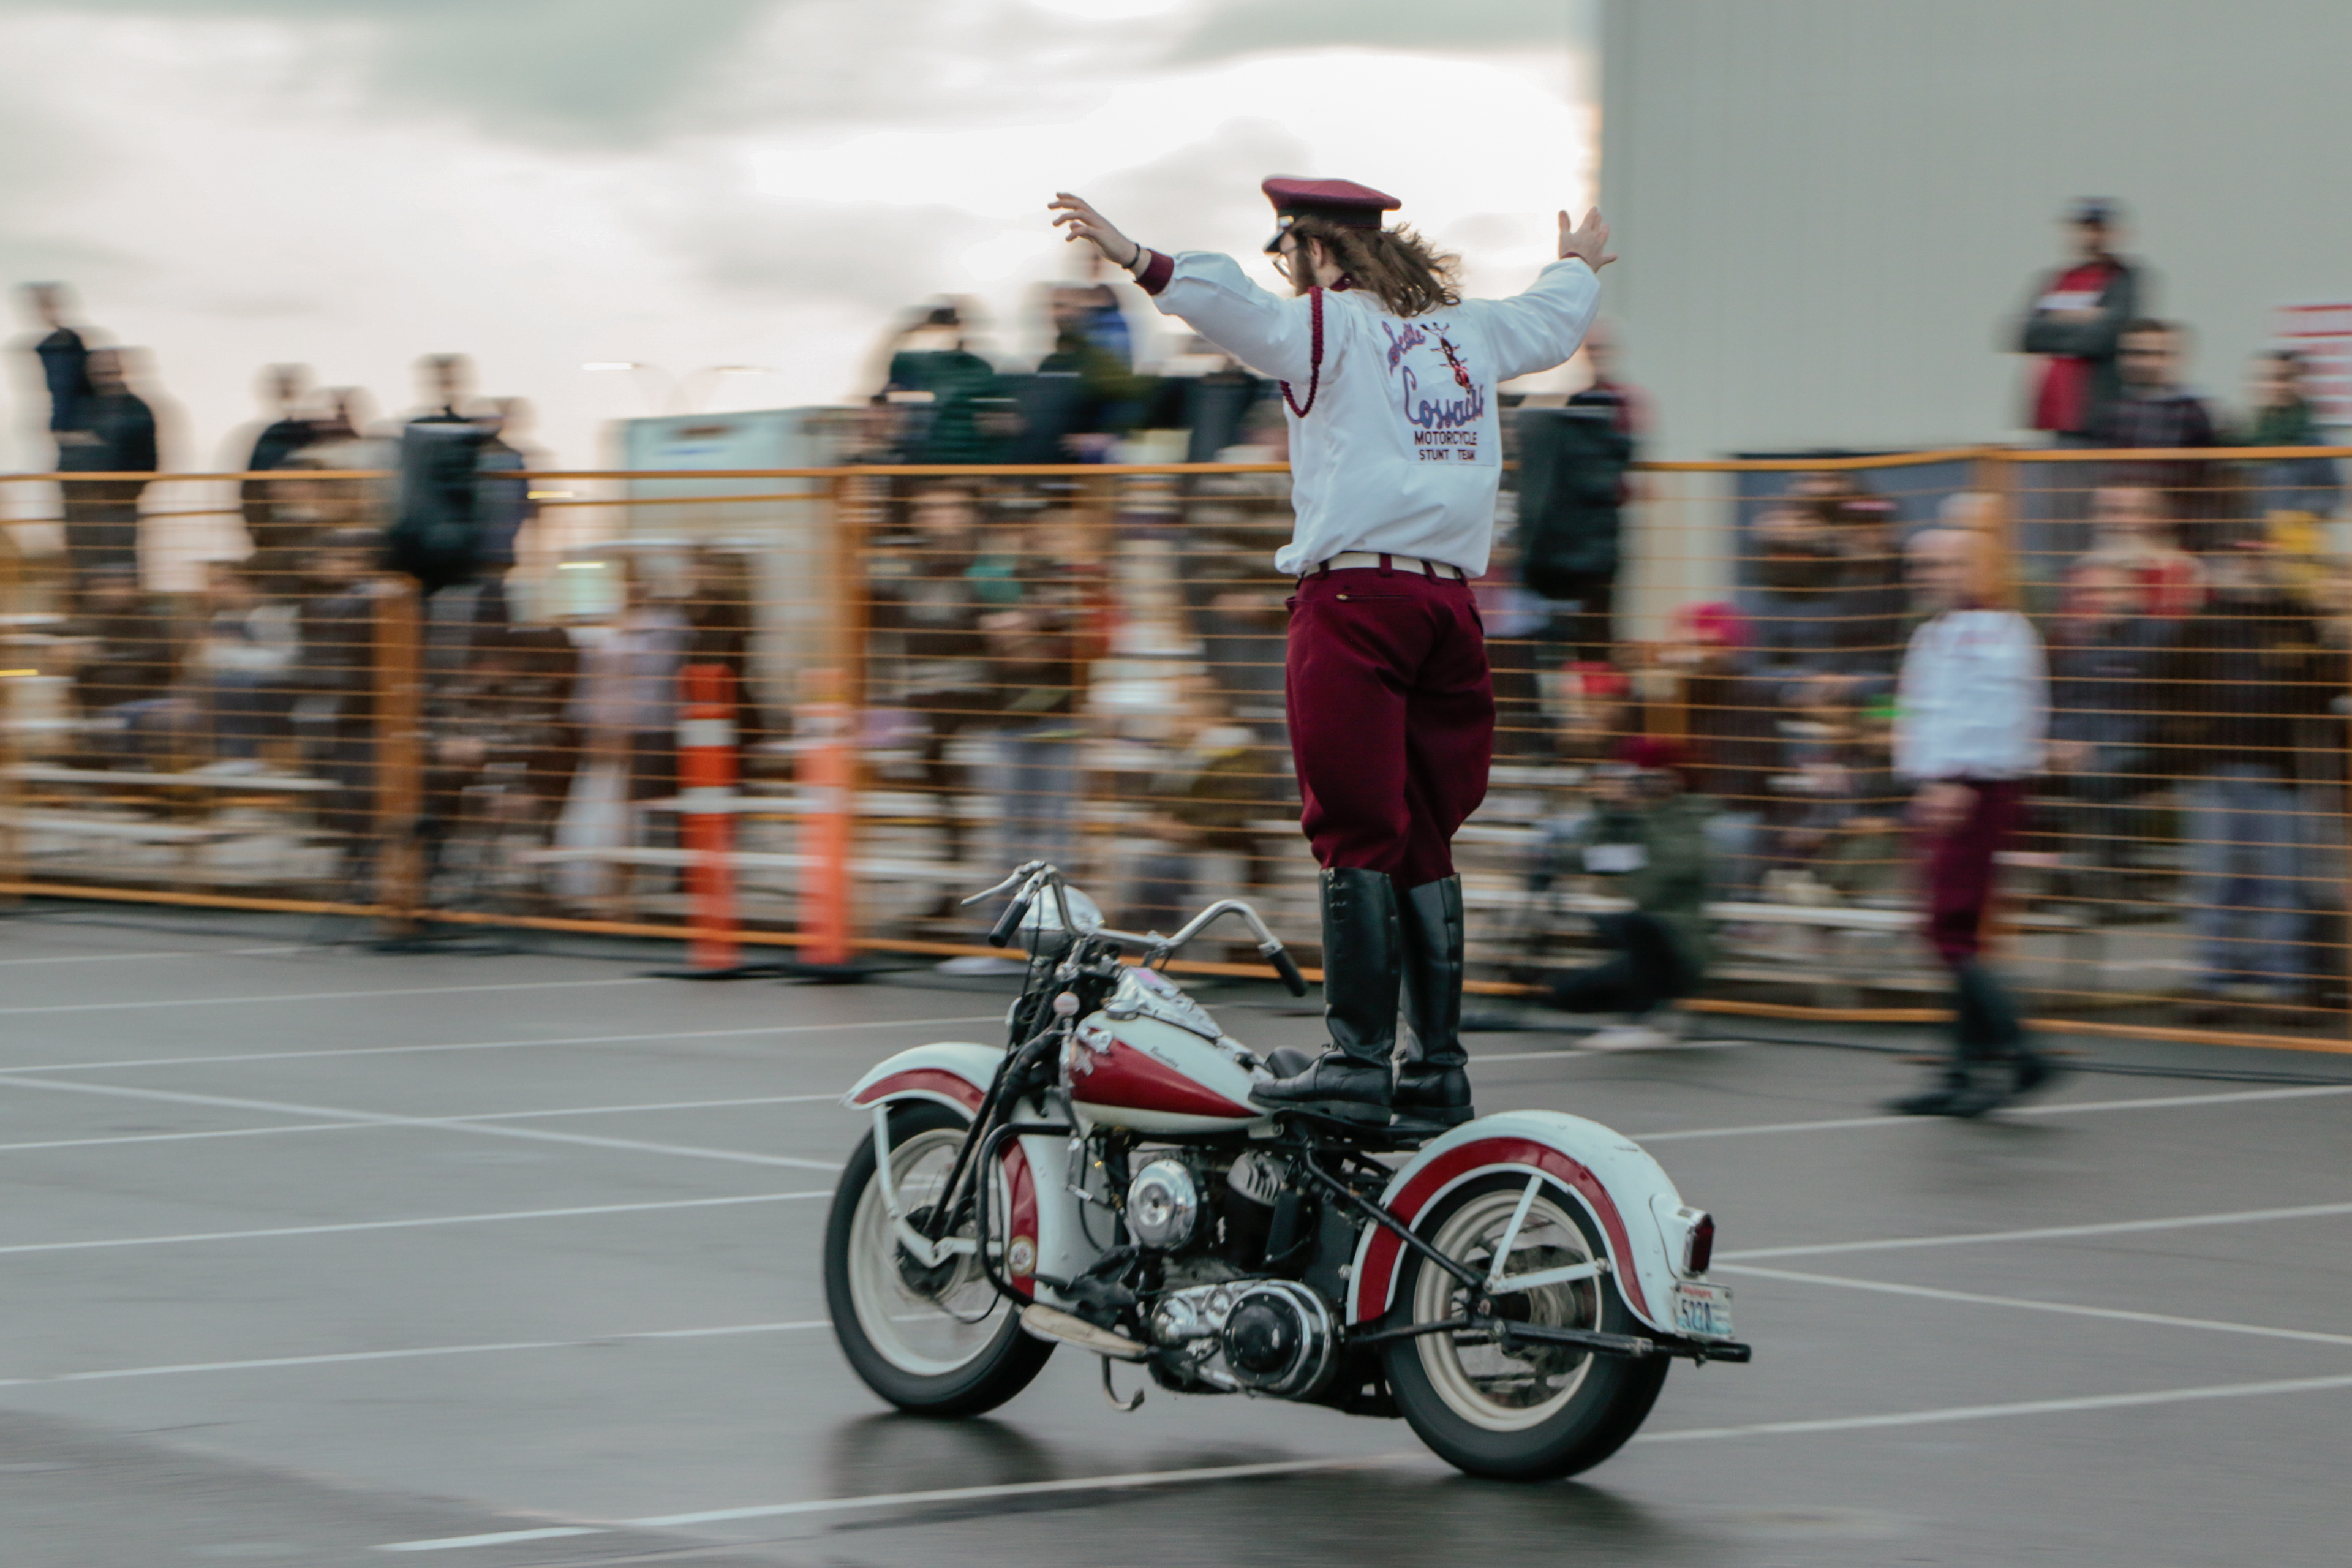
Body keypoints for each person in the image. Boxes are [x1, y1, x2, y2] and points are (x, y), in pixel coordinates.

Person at [1050, 177, 1607, 1127]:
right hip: (1448, 606)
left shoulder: (1327, 327)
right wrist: (1578, 266)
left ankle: (1356, 1062)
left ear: (1315, 250)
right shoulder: (1466, 331)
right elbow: (1551, 322)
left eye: (1290, 256)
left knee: (1354, 828)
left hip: (1355, 600)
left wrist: (1139, 257)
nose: (1287, 275)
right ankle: (1436, 1071)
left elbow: (1238, 312)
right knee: (1425, 838)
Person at [1887, 526, 2057, 1116]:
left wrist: (1953, 779)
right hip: (1948, 787)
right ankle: (1967, 1069)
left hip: (1971, 789)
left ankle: (2020, 1052)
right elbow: (1926, 710)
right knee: (1950, 928)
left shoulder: (1996, 632)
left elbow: (1990, 713)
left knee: (1951, 929)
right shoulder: (1939, 632)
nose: (1927, 576)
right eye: (1920, 565)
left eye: (1942, 564)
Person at [2160, 546, 2341, 1016]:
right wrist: (2185, 757)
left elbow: (2319, 691)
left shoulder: (2295, 618)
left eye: (2257, 553)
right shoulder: (2203, 624)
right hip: (2216, 771)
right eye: (2240, 554)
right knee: (2216, 881)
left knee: (2282, 883)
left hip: (2282, 774)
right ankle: (2211, 981)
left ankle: (2288, 985)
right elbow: (2170, 691)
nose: (2249, 562)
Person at [1530, 741, 1713, 1049]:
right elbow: (1585, 859)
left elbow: (1670, 872)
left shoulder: (1688, 818)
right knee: (1564, 995)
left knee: (1638, 922)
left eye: (1647, 778)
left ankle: (1644, 1020)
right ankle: (1662, 1008)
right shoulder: (1622, 820)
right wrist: (1610, 811)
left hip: (1681, 942)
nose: (1639, 787)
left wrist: (1649, 813)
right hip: (1636, 949)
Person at [2015, 198, 2141, 443]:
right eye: (2085, 229)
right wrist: (2085, 320)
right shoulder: (2057, 280)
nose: (2091, 237)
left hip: (2096, 411)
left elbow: (2106, 338)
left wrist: (2056, 321)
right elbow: (2029, 335)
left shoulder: (2124, 280)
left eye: (2098, 229)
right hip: (2054, 410)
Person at [2092, 320, 2219, 542]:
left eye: (2151, 353)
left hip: (2172, 532)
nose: (2140, 362)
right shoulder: (2109, 409)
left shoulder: (2191, 412)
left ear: (2169, 358)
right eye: (2131, 353)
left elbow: (2201, 479)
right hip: (2117, 531)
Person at [56, 346, 160, 588]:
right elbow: (67, 456)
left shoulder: (137, 410)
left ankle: (122, 606)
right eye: (98, 369)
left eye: (109, 369)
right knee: (86, 569)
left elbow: (149, 460)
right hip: (83, 508)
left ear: (120, 370)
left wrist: (123, 493)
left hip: (118, 507)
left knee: (119, 568)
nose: (103, 375)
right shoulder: (81, 409)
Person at [16, 282, 94, 455]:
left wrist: (63, 426)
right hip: (70, 424)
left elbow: (67, 388)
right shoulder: (52, 345)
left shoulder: (67, 344)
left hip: (79, 424)